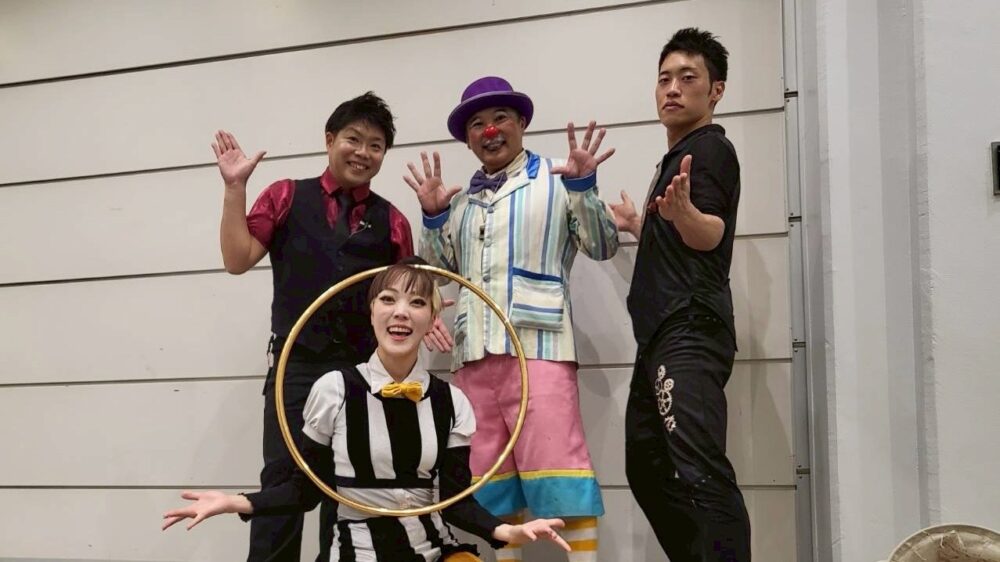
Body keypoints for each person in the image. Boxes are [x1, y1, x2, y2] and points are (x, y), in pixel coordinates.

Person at [163, 260, 569, 562]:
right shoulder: (334, 390)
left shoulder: (452, 402)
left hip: (434, 549)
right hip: (356, 551)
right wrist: (235, 502)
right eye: (388, 300)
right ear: (371, 311)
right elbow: (306, 490)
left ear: (432, 318)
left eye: (416, 302)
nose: (401, 312)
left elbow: (454, 500)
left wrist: (505, 531)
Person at [213, 92, 452, 561]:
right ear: (329, 140)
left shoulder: (392, 220)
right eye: (353, 139)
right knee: (283, 482)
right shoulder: (285, 196)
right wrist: (234, 188)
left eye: (376, 145)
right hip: (295, 366)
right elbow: (236, 259)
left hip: (360, 375)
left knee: (349, 487)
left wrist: (431, 312)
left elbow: (412, 290)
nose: (363, 153)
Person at [405, 76, 618, 562]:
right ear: (467, 139)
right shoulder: (461, 202)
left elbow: (603, 244)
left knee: (560, 473)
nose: (490, 130)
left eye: (500, 117)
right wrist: (433, 217)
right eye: (477, 124)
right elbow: (437, 275)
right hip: (472, 360)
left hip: (540, 349)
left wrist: (583, 187)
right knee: (491, 484)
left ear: (521, 122)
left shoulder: (558, 179)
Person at [608, 28, 751, 561]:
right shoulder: (680, 156)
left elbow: (710, 233)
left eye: (688, 78)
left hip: (689, 329)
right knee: (647, 467)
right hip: (662, 334)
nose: (672, 88)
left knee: (700, 470)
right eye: (664, 78)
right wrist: (643, 227)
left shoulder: (709, 149)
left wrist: (686, 215)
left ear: (716, 90)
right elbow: (686, 239)